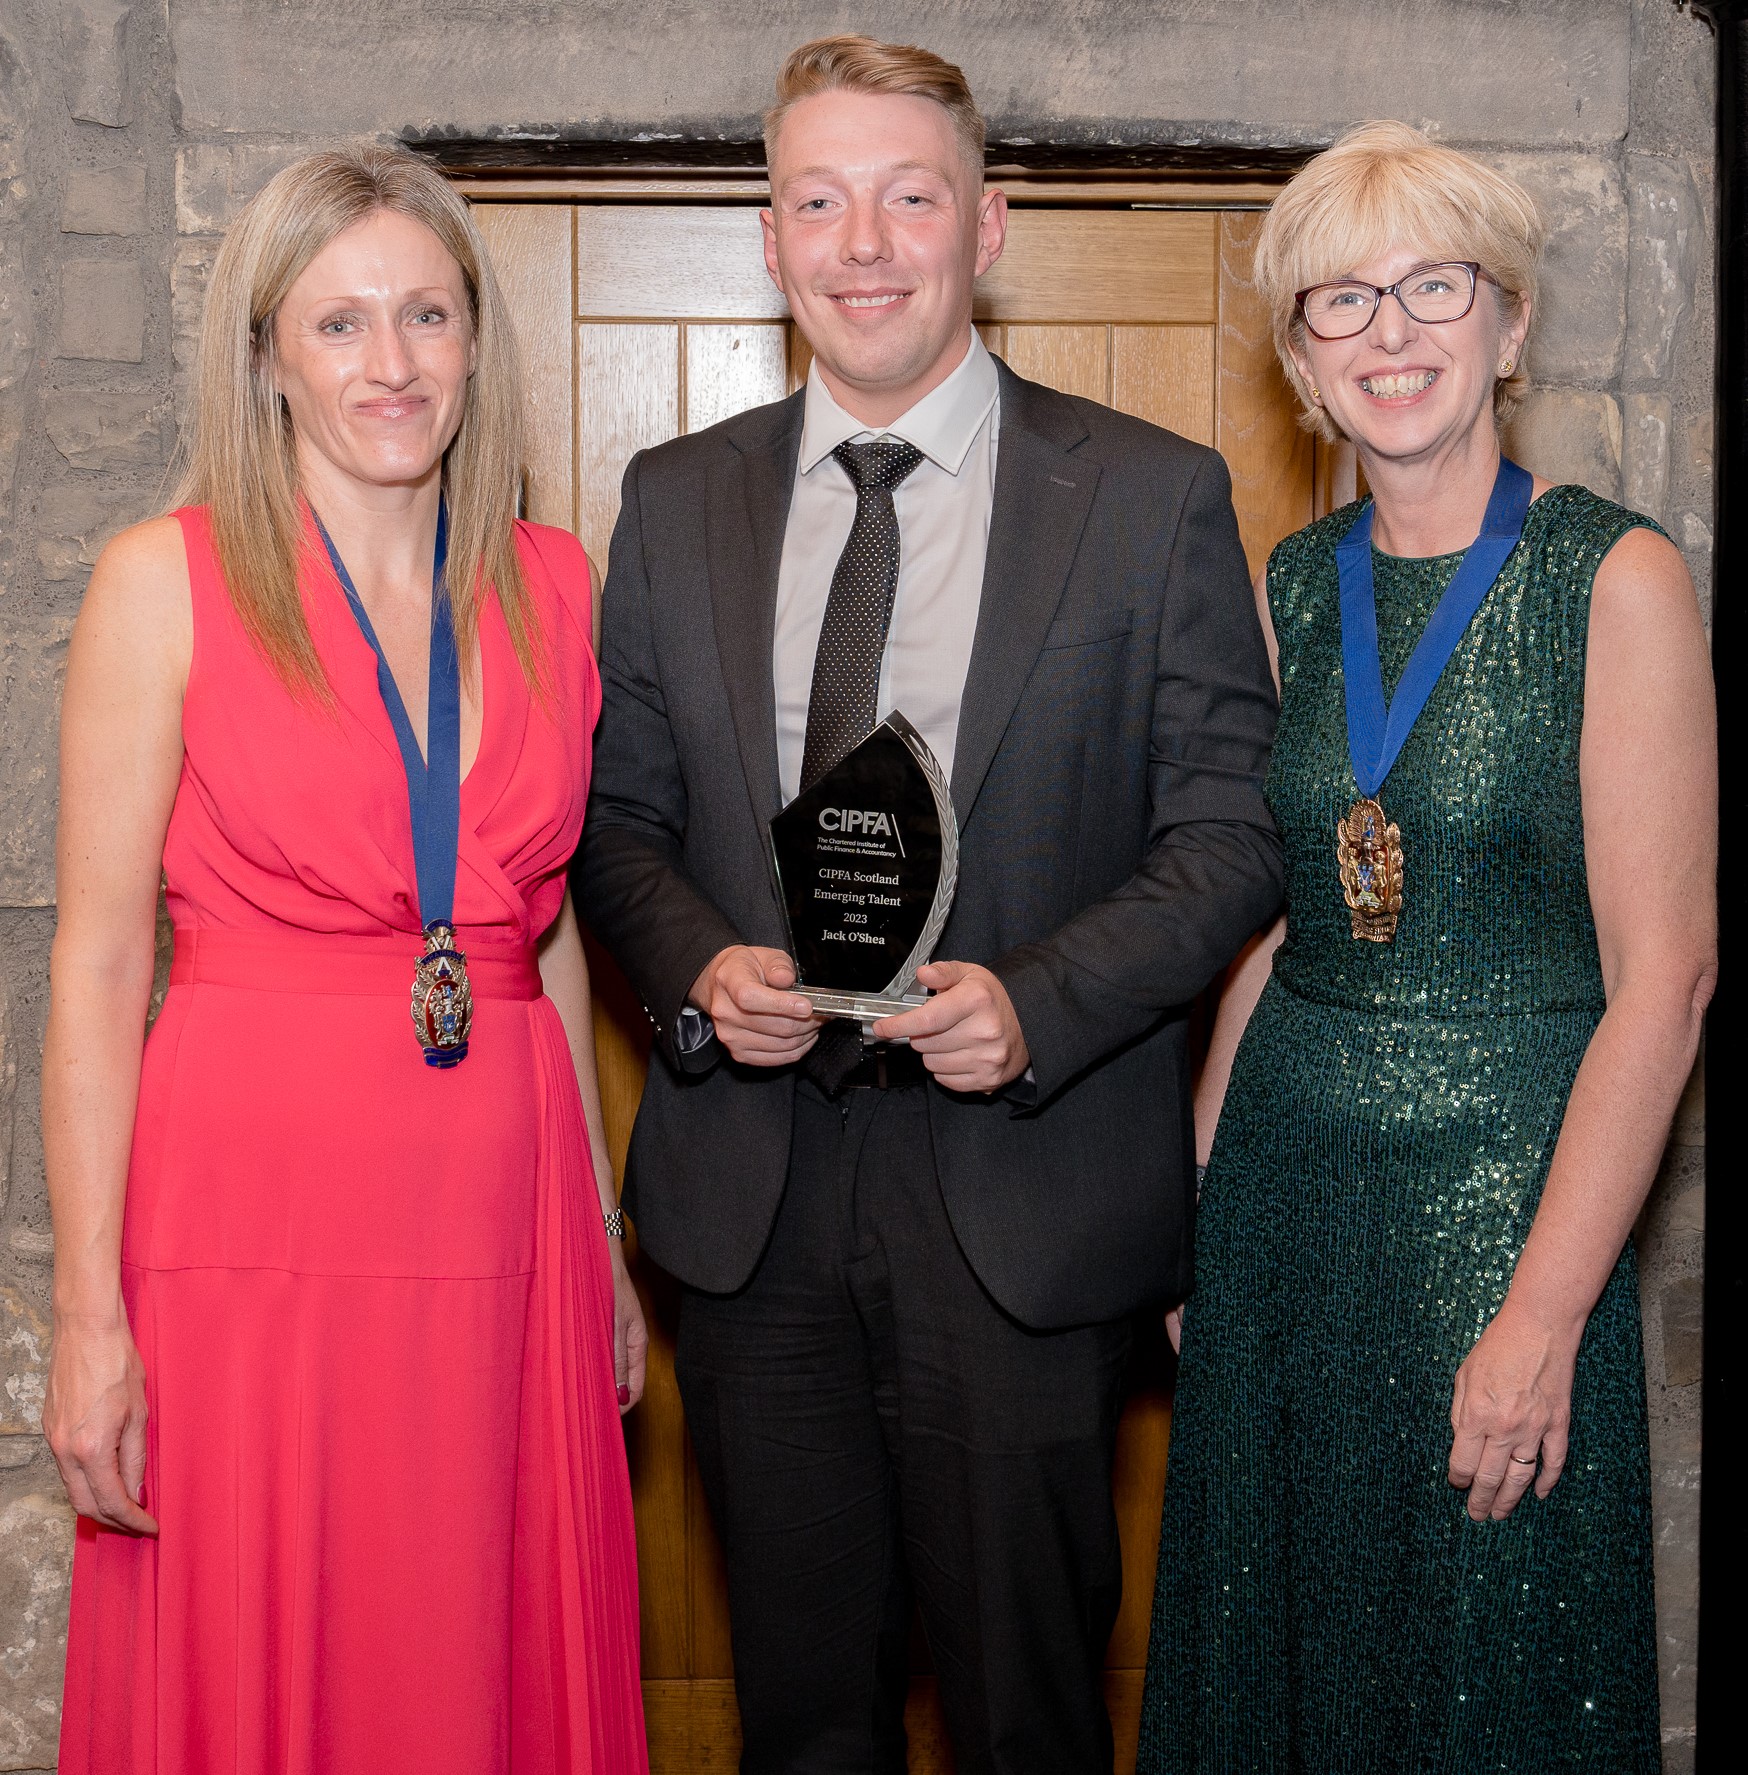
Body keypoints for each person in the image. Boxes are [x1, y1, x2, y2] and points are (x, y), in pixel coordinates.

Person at [573, 33, 1282, 1775]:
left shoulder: (1152, 494)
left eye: (911, 197)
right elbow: (612, 826)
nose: (865, 242)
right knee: (803, 1717)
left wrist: (1035, 1001)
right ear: (769, 236)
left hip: (1023, 1191)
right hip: (755, 1193)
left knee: (1029, 1709)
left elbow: (1230, 838)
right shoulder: (673, 502)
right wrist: (694, 971)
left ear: (993, 225)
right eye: (820, 200)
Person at [43, 145, 648, 1773]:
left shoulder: (554, 587)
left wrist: (596, 1225)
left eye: (428, 316)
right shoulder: (159, 585)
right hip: (251, 1224)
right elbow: (98, 967)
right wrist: (87, 1317)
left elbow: (543, 924)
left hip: (502, 1201)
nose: (392, 364)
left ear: (475, 343)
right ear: (267, 356)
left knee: (478, 1650)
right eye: (340, 323)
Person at [1138, 121, 1716, 1773]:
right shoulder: (1293, 584)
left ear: (1510, 324)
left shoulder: (1618, 579)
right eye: (1340, 302)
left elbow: (1667, 981)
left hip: (1515, 1210)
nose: (1389, 334)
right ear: (1303, 360)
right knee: (1285, 1649)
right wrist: (1198, 1217)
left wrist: (1541, 1319)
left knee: (1489, 1671)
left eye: (1432, 289)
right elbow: (1270, 925)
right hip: (1287, 1209)